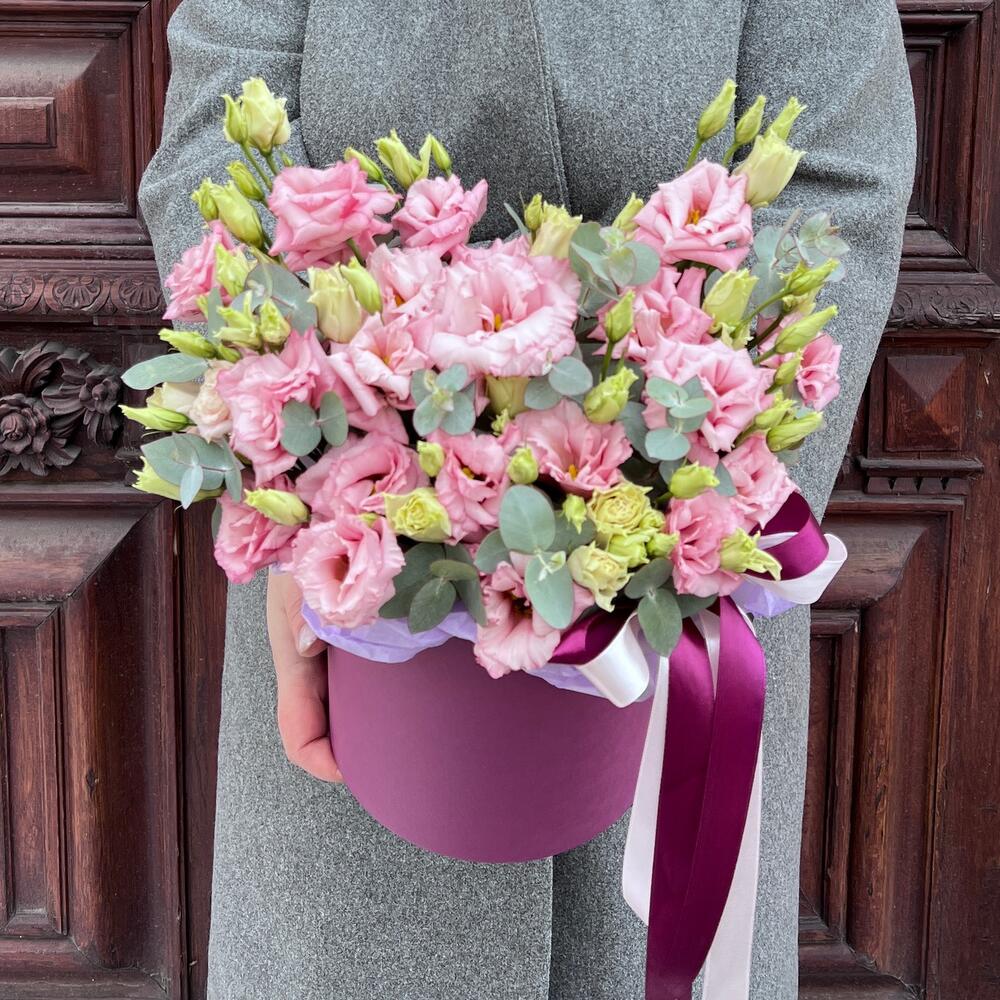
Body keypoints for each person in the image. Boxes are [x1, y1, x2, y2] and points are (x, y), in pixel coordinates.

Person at [138, 2, 916, 997]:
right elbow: (214, 146)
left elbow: (837, 182)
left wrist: (700, 502)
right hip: (357, 612)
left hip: (671, 614)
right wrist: (297, 488)